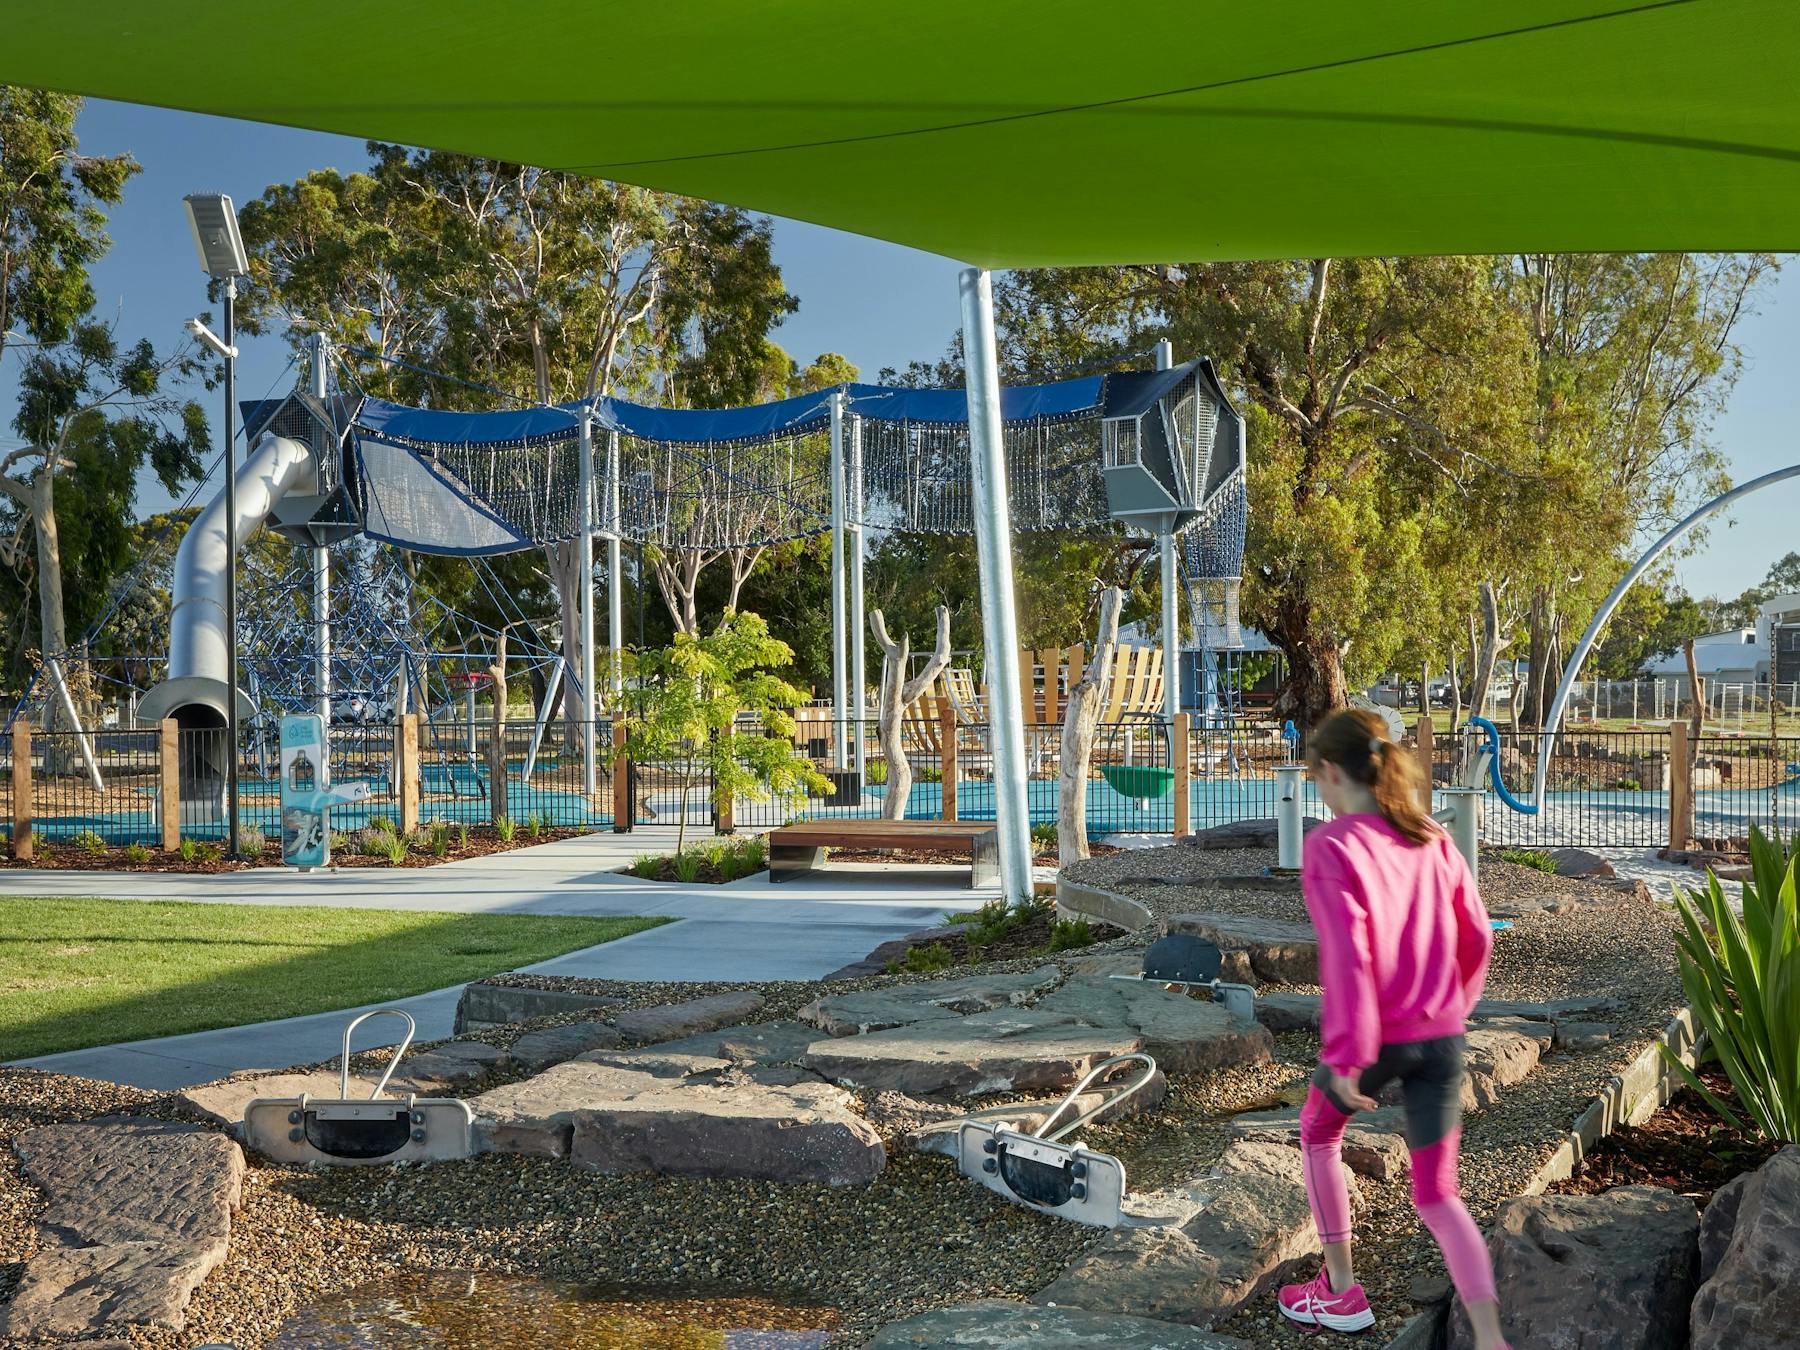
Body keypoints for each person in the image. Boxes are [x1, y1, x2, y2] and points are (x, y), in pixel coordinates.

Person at [1276, 708, 1509, 1349]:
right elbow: (1478, 934)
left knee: (1318, 1133)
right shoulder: (1432, 836)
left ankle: (1341, 1290)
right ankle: (1491, 1340)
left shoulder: (1331, 846)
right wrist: (1453, 1010)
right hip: (1443, 1036)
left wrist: (1349, 1057)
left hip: (1377, 1040)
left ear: (1328, 772)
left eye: (1315, 777)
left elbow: (1349, 957)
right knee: (1438, 1197)